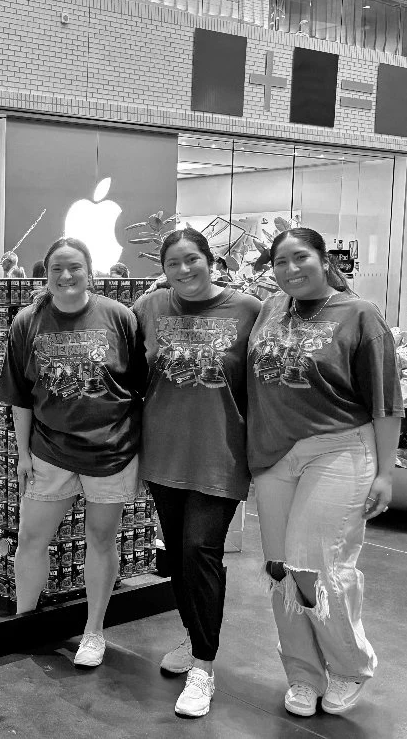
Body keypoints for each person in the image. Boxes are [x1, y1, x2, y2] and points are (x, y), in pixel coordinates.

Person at [248, 227, 402, 717]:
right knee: (279, 570)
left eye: (301, 258)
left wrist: (384, 473)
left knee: (314, 567)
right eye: (280, 262)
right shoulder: (271, 309)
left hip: (338, 450)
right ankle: (302, 674)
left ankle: (350, 666)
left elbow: (386, 400)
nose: (292, 269)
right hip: (273, 456)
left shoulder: (359, 314)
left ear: (323, 259)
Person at [0, 237, 145, 668]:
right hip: (49, 452)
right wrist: (23, 454)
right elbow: (20, 396)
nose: (66, 276)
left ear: (90, 271)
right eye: (58, 268)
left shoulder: (119, 317)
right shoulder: (28, 322)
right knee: (30, 538)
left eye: (75, 267)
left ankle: (93, 631)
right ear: (46, 273)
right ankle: (24, 619)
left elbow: (139, 386)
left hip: (111, 452)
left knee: (101, 539)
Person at [132, 228, 260, 718]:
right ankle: (192, 635)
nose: (184, 271)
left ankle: (204, 669)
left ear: (211, 261)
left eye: (193, 260)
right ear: (162, 270)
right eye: (173, 264)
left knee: (199, 550)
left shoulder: (248, 309)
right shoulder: (151, 308)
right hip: (164, 453)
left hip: (221, 454)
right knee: (179, 554)